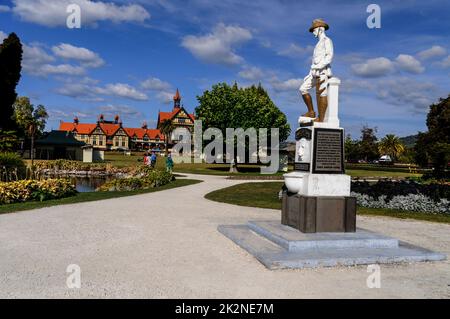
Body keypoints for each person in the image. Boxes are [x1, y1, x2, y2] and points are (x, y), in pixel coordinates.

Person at [299, 18, 334, 122]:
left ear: (320, 29)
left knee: (322, 93)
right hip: (314, 73)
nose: (313, 32)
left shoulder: (327, 41)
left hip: (323, 71)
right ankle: (311, 112)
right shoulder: (318, 44)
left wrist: (319, 66)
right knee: (303, 89)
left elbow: (329, 57)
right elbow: (314, 61)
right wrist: (309, 74)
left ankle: (321, 119)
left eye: (314, 30)